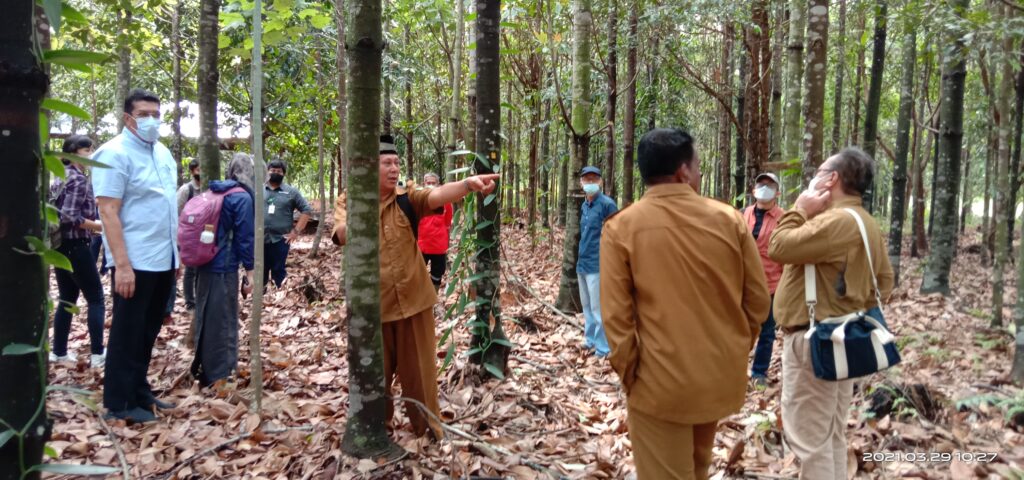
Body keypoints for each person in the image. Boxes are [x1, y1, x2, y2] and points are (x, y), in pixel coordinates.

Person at [601, 128, 770, 479]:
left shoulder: (622, 227)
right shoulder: (729, 220)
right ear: (683, 172)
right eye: (697, 166)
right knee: (697, 467)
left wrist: (630, 373)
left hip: (658, 381)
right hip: (716, 374)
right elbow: (757, 300)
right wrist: (736, 346)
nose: (699, 174)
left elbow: (617, 319)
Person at [332, 135, 498, 439]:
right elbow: (341, 234)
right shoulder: (349, 200)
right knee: (374, 377)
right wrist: (365, 205)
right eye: (386, 163)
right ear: (370, 168)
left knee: (420, 376)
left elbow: (435, 196)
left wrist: (467, 185)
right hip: (373, 307)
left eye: (396, 162)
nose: (394, 169)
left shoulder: (407, 197)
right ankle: (377, 431)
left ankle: (428, 431)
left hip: (414, 301)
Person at [768, 147, 894, 480]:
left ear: (832, 178)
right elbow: (885, 282)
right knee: (832, 435)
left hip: (815, 340)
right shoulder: (865, 222)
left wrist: (799, 209)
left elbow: (778, 247)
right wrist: (846, 302)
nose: (815, 177)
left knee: (811, 441)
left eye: (821, 170)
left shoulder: (834, 221)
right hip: (843, 339)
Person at [92, 88, 179, 423]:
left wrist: (177, 256)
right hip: (135, 260)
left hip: (163, 258)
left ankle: (139, 389)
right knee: (127, 331)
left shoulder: (163, 154)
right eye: (144, 115)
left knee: (148, 329)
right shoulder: (113, 154)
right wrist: (122, 266)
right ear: (128, 118)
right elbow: (109, 212)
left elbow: (167, 208)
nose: (152, 121)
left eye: (156, 114)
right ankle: (118, 402)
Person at [189, 154, 255, 388]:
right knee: (224, 319)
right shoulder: (242, 198)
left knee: (208, 315)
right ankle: (219, 374)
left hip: (205, 264)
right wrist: (250, 272)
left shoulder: (216, 191)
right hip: (223, 267)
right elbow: (245, 238)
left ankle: (205, 368)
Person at [50, 135, 106, 369]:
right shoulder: (78, 179)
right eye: (87, 150)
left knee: (67, 298)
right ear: (72, 153)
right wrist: (98, 226)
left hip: (60, 245)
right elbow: (69, 216)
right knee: (96, 298)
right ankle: (97, 355)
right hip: (75, 245)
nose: (91, 154)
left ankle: (59, 351)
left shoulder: (60, 177)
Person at [745, 172, 785, 388]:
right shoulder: (744, 215)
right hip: (744, 283)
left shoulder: (783, 218)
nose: (764, 189)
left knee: (767, 331)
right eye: (761, 185)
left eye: (770, 186)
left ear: (777, 192)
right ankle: (735, 368)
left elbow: (786, 251)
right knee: (740, 328)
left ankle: (759, 372)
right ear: (754, 191)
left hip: (771, 282)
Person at [577, 166, 617, 358]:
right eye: (586, 180)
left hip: (598, 263)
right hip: (582, 262)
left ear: (600, 182)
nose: (590, 183)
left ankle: (603, 347)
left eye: (593, 179)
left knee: (598, 307)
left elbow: (616, 234)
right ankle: (590, 339)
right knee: (586, 305)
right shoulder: (584, 206)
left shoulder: (607, 205)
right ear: (581, 183)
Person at [263, 158, 313, 288]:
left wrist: (296, 232)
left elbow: (306, 210)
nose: (275, 173)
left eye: (279, 171)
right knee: (260, 271)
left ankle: (280, 295)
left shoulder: (291, 192)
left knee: (278, 270)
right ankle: (259, 300)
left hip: (281, 239)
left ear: (283, 174)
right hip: (260, 238)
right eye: (272, 170)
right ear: (267, 172)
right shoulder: (259, 190)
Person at [417, 172, 454, 292]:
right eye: (428, 183)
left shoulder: (445, 201)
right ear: (424, 184)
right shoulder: (419, 199)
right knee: (418, 272)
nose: (431, 185)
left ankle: (433, 295)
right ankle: (419, 296)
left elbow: (448, 221)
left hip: (438, 245)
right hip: (421, 244)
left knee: (437, 273)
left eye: (433, 183)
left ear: (438, 185)